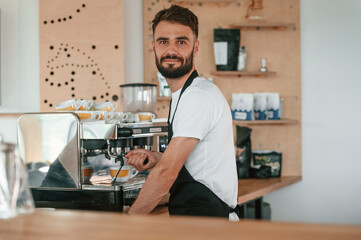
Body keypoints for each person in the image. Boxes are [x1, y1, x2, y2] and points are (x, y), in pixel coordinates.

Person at [125, 4, 239, 220]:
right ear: (154, 47)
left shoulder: (198, 97)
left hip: (210, 225)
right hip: (195, 221)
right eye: (163, 41)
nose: (171, 50)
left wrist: (129, 221)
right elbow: (195, 163)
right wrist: (158, 158)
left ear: (195, 48)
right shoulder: (184, 95)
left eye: (181, 42)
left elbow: (167, 173)